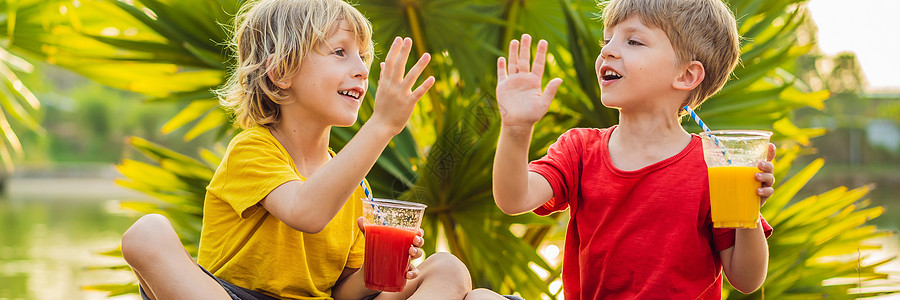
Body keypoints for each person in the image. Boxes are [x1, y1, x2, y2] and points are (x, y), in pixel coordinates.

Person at [119, 0, 476, 299]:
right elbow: (306, 211)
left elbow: (341, 292)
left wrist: (375, 266)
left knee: (447, 268)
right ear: (281, 72)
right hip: (233, 295)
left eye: (363, 57)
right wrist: (382, 125)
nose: (362, 70)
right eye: (341, 52)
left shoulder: (354, 183)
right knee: (148, 232)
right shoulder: (253, 150)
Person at [490, 0, 776, 299]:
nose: (607, 50)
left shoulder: (714, 164)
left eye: (633, 41)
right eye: (607, 39)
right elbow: (513, 199)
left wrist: (748, 207)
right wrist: (516, 129)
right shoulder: (579, 149)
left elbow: (746, 279)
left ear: (686, 76)